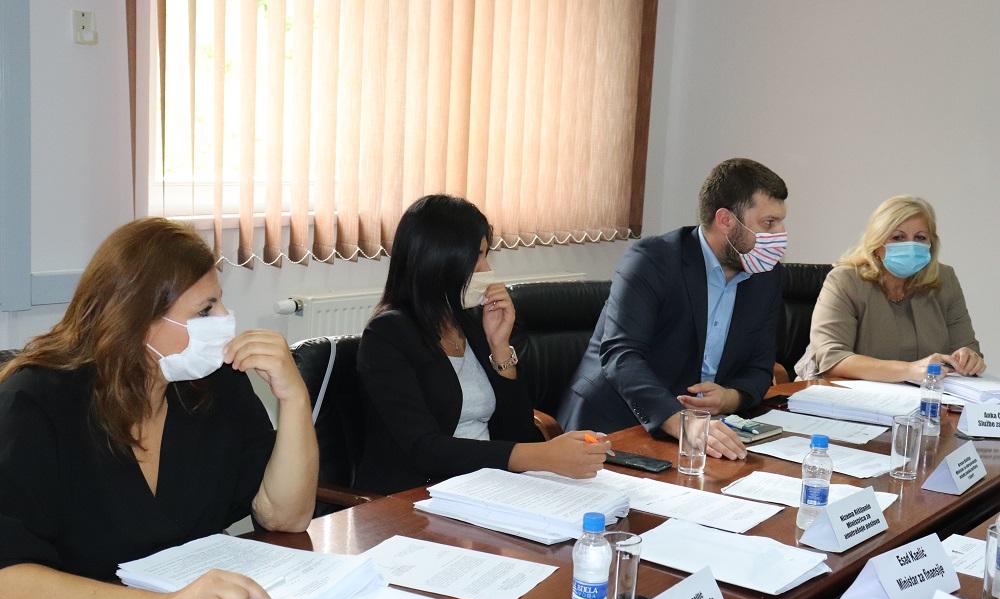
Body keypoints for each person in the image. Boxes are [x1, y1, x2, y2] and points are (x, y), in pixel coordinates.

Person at [0, 218, 318, 599]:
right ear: (136, 319)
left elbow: (284, 517)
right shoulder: (37, 402)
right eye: (204, 310)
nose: (224, 320)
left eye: (219, 304)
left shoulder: (213, 382)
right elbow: (6, 582)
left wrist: (294, 398)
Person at [355, 195, 610, 495]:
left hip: (487, 485)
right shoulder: (387, 335)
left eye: (486, 255)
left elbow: (518, 433)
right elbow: (424, 449)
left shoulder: (471, 322)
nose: (486, 268)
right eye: (477, 256)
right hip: (420, 495)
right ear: (439, 260)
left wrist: (500, 347)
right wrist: (542, 455)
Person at [558, 158, 789, 460]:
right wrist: (681, 422)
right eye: (769, 223)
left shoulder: (767, 276)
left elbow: (760, 365)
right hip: (614, 425)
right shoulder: (653, 259)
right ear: (725, 220)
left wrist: (729, 398)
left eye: (781, 222)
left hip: (702, 433)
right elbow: (621, 355)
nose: (780, 233)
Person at [796, 195, 984, 382]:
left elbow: (967, 347)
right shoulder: (845, 280)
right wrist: (908, 370)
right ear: (877, 244)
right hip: (846, 392)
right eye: (898, 237)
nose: (910, 246)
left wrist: (969, 358)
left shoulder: (944, 279)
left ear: (931, 245)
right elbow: (832, 359)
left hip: (922, 394)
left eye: (920, 238)